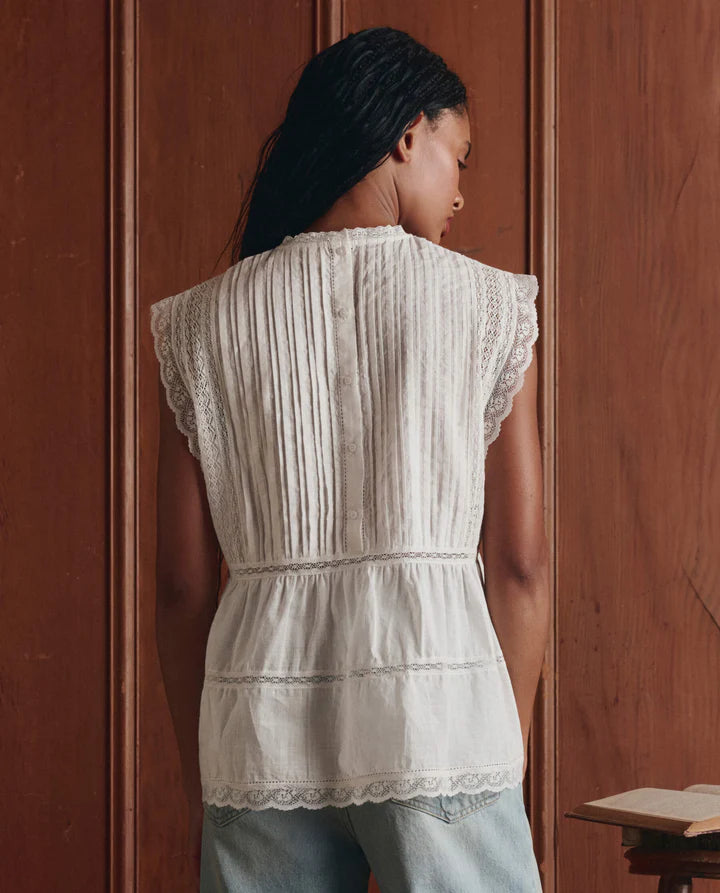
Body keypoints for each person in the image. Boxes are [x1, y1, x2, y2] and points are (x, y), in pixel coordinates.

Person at [151, 25, 549, 893]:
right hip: (440, 725)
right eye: (460, 159)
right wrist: (497, 753)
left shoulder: (198, 326)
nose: (460, 196)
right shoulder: (487, 309)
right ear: (408, 136)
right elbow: (519, 567)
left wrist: (203, 774)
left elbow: (182, 587)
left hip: (258, 733)